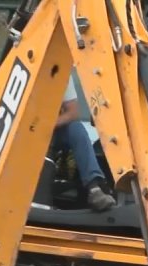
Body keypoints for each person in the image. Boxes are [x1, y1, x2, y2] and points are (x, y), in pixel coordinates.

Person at [55, 72, 116, 211]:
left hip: (50, 129)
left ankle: (95, 188)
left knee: (76, 128)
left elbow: (73, 112)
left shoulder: (62, 71)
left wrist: (47, 124)